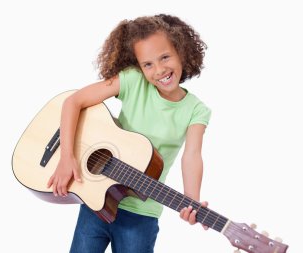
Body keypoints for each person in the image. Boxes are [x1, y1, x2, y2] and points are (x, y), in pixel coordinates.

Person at [46, 14, 211, 253]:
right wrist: (66, 157)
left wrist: (192, 199)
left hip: (141, 216)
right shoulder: (133, 82)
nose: (159, 70)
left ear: (181, 52)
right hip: (96, 203)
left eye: (165, 57)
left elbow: (192, 155)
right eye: (148, 64)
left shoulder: (196, 110)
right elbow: (74, 102)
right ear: (139, 67)